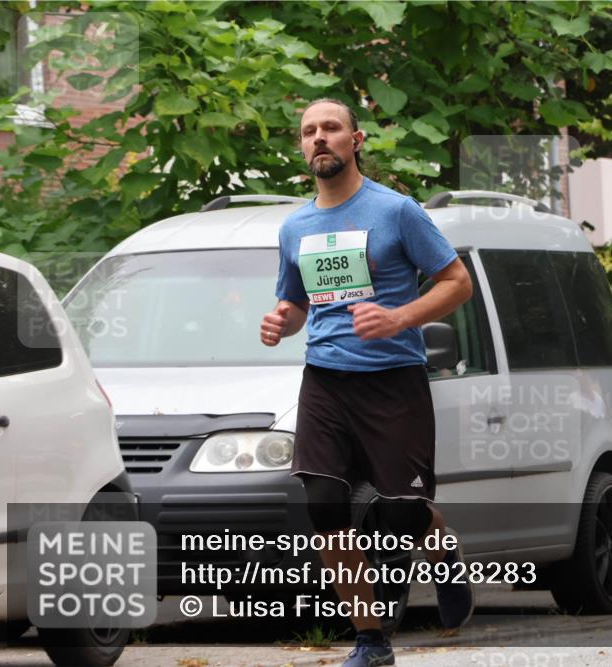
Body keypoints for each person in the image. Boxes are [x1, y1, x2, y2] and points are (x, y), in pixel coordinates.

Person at [261, 98, 474, 666]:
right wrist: (283, 320)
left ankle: (439, 544)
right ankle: (371, 638)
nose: (319, 138)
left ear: (355, 140)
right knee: (325, 505)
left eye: (331, 128)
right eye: (309, 132)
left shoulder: (397, 211)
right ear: (301, 147)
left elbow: (458, 282)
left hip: (393, 380)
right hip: (325, 379)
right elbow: (298, 301)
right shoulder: (295, 227)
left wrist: (401, 317)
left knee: (402, 513)